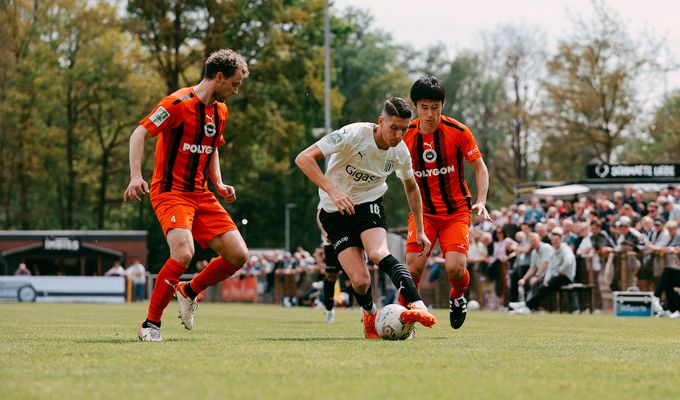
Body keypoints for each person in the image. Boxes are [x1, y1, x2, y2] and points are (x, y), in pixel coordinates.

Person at [124, 49, 250, 342]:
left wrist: (217, 182)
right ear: (218, 77)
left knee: (238, 255)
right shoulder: (176, 103)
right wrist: (135, 176)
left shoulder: (220, 111)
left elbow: (212, 146)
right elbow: (139, 134)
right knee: (183, 252)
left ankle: (189, 290)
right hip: (171, 193)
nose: (235, 90)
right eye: (234, 83)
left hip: (202, 194)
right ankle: (150, 324)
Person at [295, 97, 437, 339]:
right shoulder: (352, 134)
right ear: (381, 121)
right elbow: (303, 158)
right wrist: (333, 190)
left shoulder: (400, 152)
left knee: (378, 253)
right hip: (333, 210)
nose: (398, 135)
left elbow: (411, 187)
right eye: (393, 128)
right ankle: (370, 314)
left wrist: (421, 229)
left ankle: (418, 306)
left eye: (404, 129)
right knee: (360, 282)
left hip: (369, 203)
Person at [398, 76, 491, 330]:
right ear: (416, 106)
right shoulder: (405, 137)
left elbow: (480, 168)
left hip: (456, 212)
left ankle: (457, 297)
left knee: (455, 269)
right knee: (413, 269)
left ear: (443, 105)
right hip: (423, 213)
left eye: (435, 107)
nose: (430, 114)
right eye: (424, 107)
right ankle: (406, 319)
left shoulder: (458, 131)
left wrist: (481, 200)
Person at [510, 228, 576, 314]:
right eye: (553, 240)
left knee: (543, 287)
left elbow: (568, 261)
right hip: (555, 277)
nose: (555, 242)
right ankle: (526, 305)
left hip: (566, 277)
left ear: (560, 240)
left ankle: (527, 306)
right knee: (544, 285)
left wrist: (559, 271)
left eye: (556, 240)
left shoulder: (565, 249)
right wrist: (547, 279)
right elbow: (550, 268)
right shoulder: (553, 251)